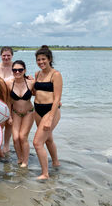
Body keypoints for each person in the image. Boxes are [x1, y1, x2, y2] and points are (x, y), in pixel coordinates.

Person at [33, 45, 62, 179]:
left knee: (37, 143)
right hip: (37, 110)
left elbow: (57, 98)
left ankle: (45, 173)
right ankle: (56, 163)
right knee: (48, 139)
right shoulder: (37, 74)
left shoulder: (56, 75)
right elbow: (36, 92)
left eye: (43, 59)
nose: (41, 62)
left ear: (49, 59)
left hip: (51, 111)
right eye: (38, 60)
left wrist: (50, 117)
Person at [6, 60, 35, 167]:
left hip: (29, 112)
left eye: (20, 70)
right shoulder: (9, 83)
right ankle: (19, 158)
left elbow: (42, 94)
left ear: (25, 70)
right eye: (14, 70)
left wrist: (57, 102)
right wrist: (9, 116)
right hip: (15, 113)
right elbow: (8, 102)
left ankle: (25, 161)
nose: (17, 72)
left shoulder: (31, 83)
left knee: (22, 137)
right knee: (15, 138)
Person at [0, 46, 14, 156]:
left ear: (12, 56)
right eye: (4, 55)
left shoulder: (16, 67)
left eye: (8, 55)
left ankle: (6, 145)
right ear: (1, 56)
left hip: (12, 101)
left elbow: (24, 79)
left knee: (9, 124)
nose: (6, 57)